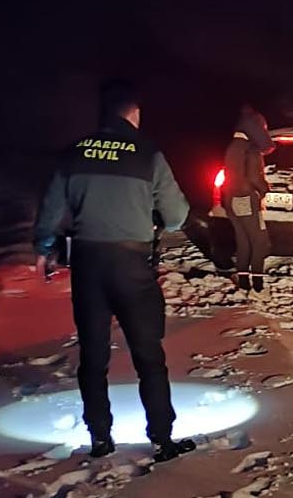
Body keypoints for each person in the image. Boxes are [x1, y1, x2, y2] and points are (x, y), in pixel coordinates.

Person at [34, 79, 196, 463]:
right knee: (148, 355)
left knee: (92, 356)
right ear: (134, 113)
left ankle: (101, 439)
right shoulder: (147, 154)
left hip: (88, 265)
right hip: (131, 266)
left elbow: (51, 210)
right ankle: (161, 439)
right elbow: (176, 217)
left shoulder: (74, 154)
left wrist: (43, 247)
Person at [223, 105, 275, 292]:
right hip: (246, 198)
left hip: (230, 198)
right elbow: (254, 177)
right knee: (260, 241)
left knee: (243, 239)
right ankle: (259, 284)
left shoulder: (232, 146)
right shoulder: (250, 149)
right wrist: (264, 189)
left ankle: (244, 281)